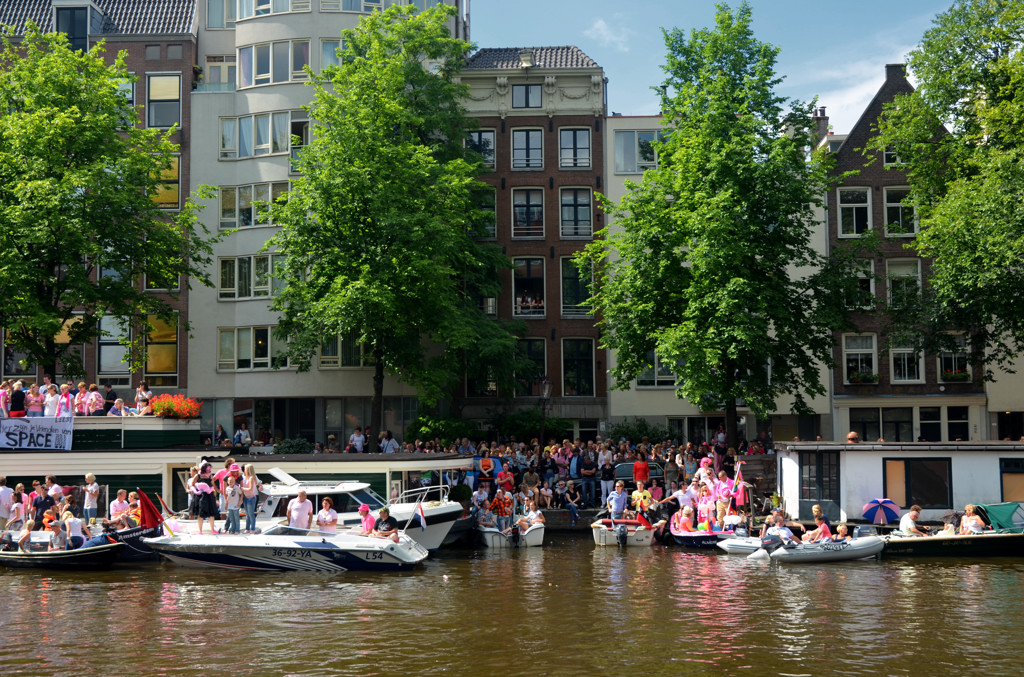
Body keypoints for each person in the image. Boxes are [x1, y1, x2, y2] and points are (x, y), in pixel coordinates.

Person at [193, 464, 218, 535]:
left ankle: (212, 530)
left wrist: (212, 490)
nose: (210, 469)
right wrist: (196, 491)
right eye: (208, 467)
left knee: (211, 513)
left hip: (209, 496)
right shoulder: (197, 476)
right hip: (200, 496)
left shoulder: (210, 476)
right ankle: (200, 531)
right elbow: (193, 485)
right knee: (200, 513)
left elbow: (213, 485)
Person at [241, 464, 261, 534]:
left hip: (251, 498)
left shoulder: (251, 478)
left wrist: (242, 488)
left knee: (251, 514)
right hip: (246, 497)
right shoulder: (246, 477)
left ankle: (252, 528)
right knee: (247, 514)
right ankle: (247, 528)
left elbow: (250, 489)